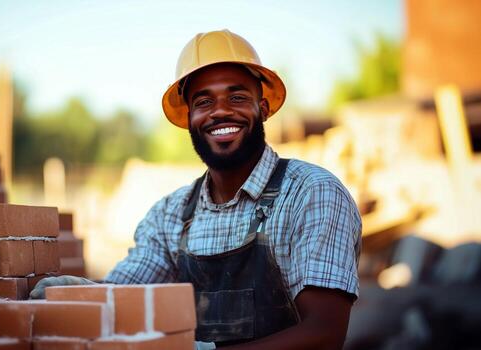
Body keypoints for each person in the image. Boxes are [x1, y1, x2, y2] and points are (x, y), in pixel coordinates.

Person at [31, 30, 362, 349]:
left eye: (237, 97)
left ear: (262, 108)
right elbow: (126, 295)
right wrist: (84, 293)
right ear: (189, 117)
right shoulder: (169, 215)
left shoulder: (311, 194)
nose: (220, 111)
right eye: (204, 102)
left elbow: (324, 334)